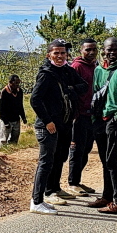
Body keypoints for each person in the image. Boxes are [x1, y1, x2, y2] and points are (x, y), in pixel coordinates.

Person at [29, 38, 88, 215]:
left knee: (59, 157)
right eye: (56, 53)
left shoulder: (67, 71)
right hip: (48, 126)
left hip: (65, 123)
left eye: (63, 53)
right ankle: (37, 200)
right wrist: (48, 121)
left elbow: (83, 86)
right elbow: (35, 100)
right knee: (46, 162)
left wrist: (70, 89)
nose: (60, 56)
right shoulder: (46, 74)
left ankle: (52, 191)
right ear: (49, 55)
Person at [85, 37, 117, 215]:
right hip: (100, 120)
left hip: (116, 121)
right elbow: (96, 94)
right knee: (105, 161)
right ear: (103, 51)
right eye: (108, 49)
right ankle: (107, 196)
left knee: (113, 161)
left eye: (115, 49)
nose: (111, 53)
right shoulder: (99, 70)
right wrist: (95, 119)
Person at [63, 38, 98, 196]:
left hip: (91, 115)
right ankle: (72, 183)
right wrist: (74, 114)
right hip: (79, 116)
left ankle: (77, 181)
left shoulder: (95, 67)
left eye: (93, 50)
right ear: (81, 51)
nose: (91, 53)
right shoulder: (77, 66)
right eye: (87, 50)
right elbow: (70, 91)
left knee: (86, 149)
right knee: (77, 150)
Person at [0, 74, 27, 150]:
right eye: (16, 83)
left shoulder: (20, 91)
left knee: (14, 140)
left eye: (18, 82)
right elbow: (1, 109)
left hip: (16, 119)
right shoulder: (3, 92)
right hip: (6, 120)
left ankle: (12, 155)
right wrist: (6, 122)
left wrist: (23, 117)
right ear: (10, 82)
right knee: (3, 140)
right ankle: (1, 155)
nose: (17, 85)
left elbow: (20, 105)